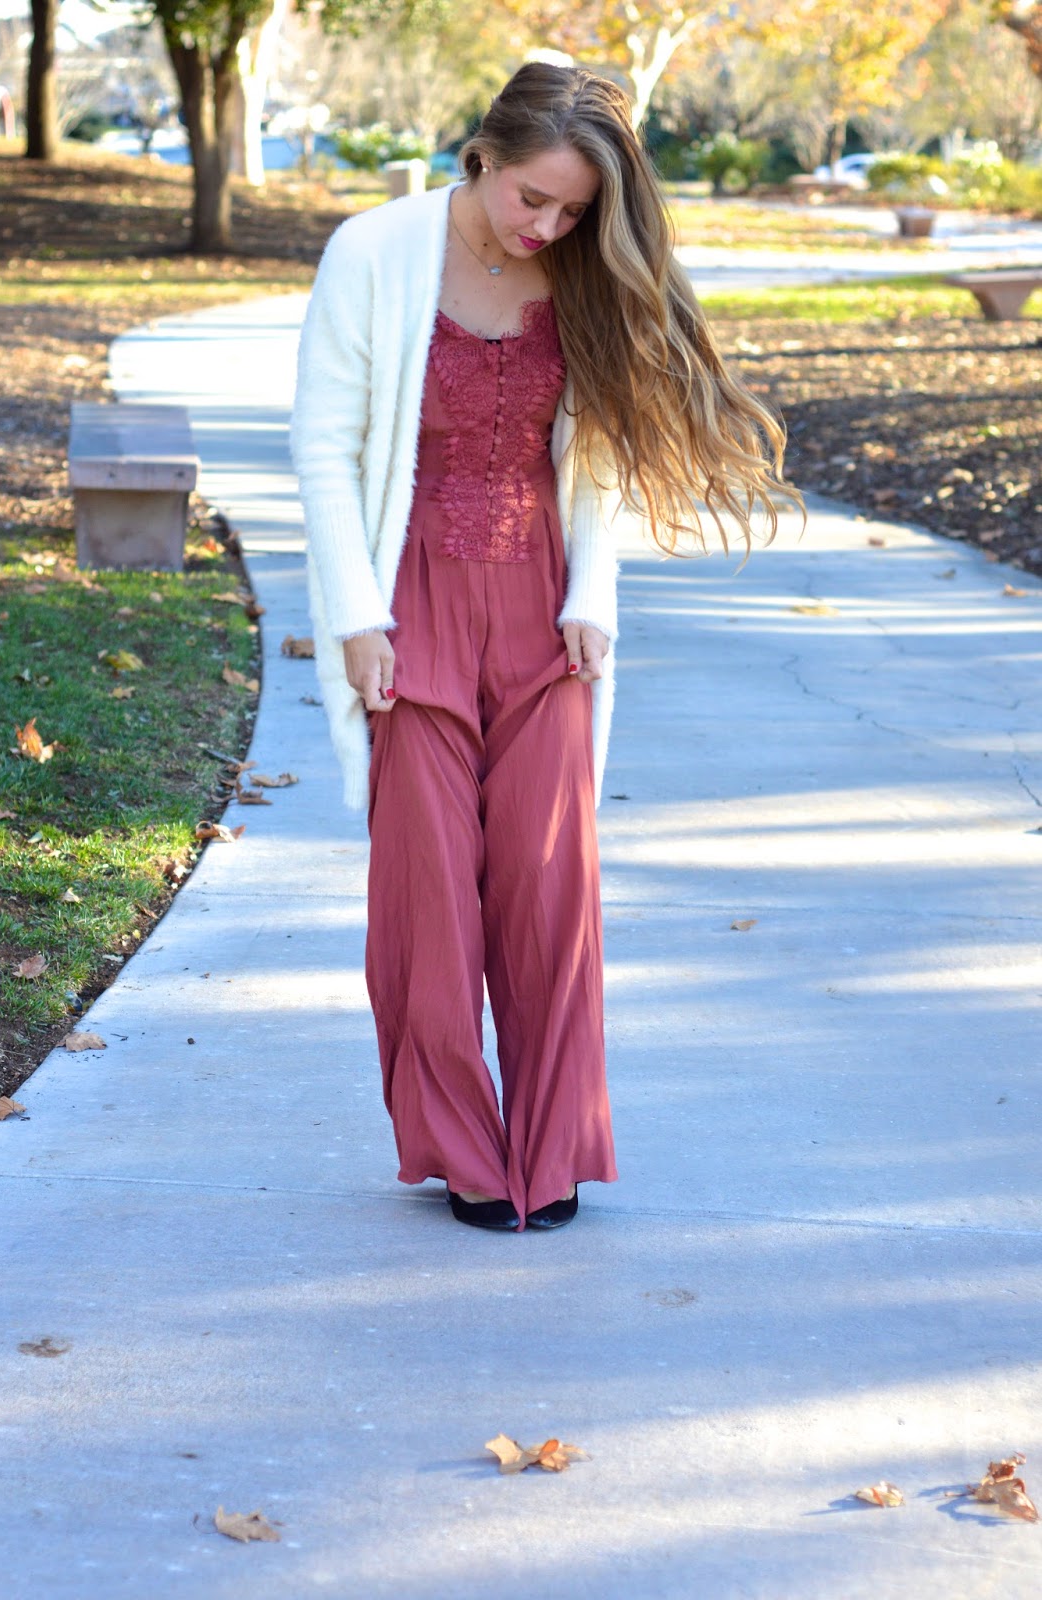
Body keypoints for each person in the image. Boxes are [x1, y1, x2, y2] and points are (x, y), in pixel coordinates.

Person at [290, 63, 794, 1234]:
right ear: (480, 153)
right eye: (531, 199)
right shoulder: (371, 254)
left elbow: (599, 453)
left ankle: (553, 1145)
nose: (546, 227)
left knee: (547, 882)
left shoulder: (579, 269)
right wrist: (356, 617)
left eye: (569, 211)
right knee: (426, 894)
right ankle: (466, 1153)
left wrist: (596, 591)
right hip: (408, 599)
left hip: (542, 603)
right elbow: (323, 451)